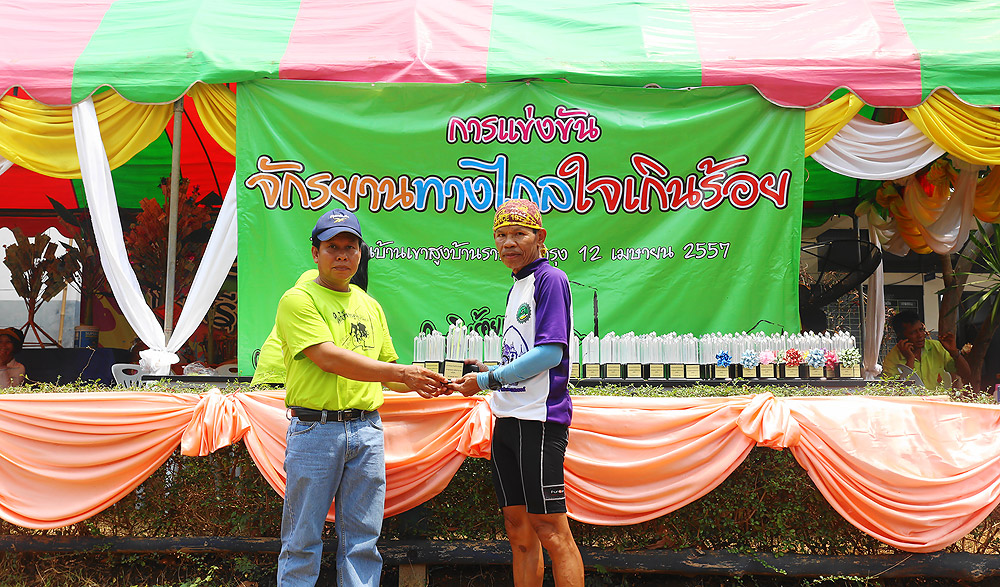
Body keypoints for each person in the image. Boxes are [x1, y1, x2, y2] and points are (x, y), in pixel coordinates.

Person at [274, 209, 447, 587]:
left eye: (350, 247)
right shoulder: (298, 299)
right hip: (315, 429)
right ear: (315, 253)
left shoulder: (369, 305)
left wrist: (432, 382)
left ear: (360, 253)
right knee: (302, 540)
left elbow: (389, 371)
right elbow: (327, 357)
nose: (342, 255)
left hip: (367, 430)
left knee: (363, 542)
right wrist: (401, 374)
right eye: (332, 247)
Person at [449, 199, 584, 587]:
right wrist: (487, 372)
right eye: (501, 235)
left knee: (551, 530)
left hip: (539, 420)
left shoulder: (550, 279)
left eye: (519, 234)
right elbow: (522, 356)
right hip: (507, 418)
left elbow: (550, 353)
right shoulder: (517, 286)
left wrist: (487, 381)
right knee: (517, 529)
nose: (508, 242)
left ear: (540, 237)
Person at [883, 311, 972, 389]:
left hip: (938, 401)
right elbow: (898, 391)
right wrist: (910, 360)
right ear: (901, 336)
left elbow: (966, 374)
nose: (920, 335)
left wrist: (954, 352)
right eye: (913, 332)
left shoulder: (936, 347)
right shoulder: (891, 359)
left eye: (921, 329)